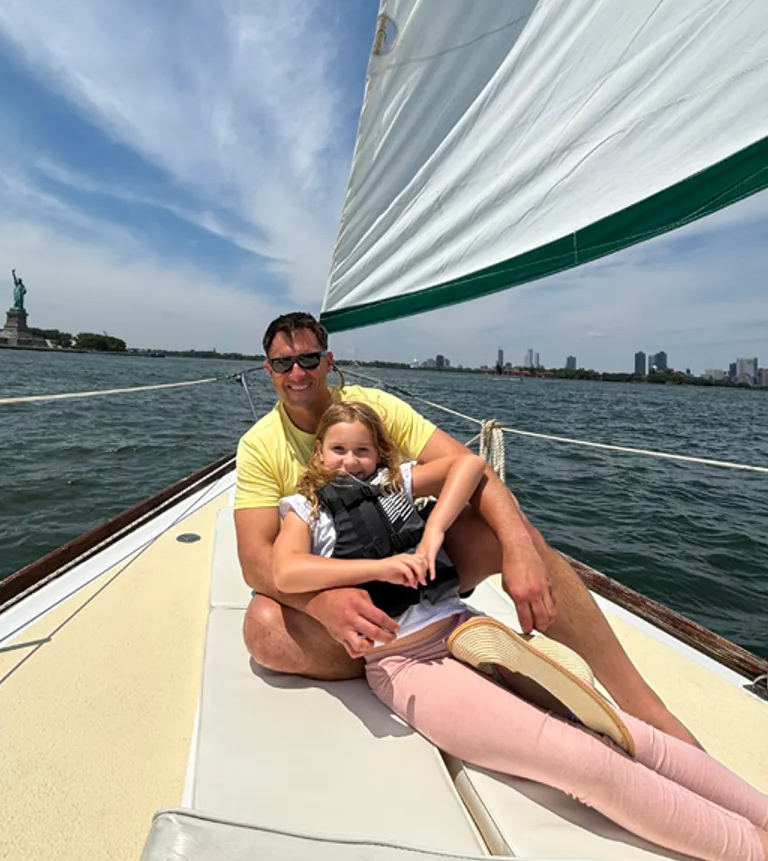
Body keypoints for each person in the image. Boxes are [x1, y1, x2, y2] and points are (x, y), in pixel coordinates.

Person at [277, 401, 768, 861]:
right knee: (583, 761)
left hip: (465, 631)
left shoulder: (395, 486)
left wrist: (432, 535)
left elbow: (467, 467)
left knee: (623, 731)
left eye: (362, 451)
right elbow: (286, 572)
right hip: (405, 663)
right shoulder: (306, 510)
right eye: (338, 449)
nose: (349, 462)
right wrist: (381, 569)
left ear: (379, 455)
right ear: (319, 451)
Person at [233, 311, 701, 748]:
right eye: (283, 363)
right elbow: (257, 562)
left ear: (328, 361)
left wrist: (519, 549)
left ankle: (643, 706)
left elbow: (472, 469)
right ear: (268, 369)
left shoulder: (372, 410)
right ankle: (421, 649)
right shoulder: (260, 446)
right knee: (264, 632)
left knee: (514, 537)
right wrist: (324, 604)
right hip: (340, 585)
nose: (297, 373)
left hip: (416, 571)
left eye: (309, 359)